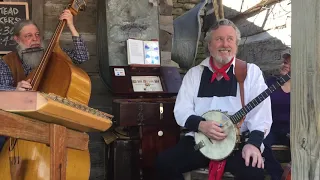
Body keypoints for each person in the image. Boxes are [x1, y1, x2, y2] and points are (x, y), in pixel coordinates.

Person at [156, 19, 272, 180]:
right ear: (209, 45)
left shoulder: (251, 72)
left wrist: (253, 144)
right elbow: (182, 110)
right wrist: (201, 125)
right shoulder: (194, 74)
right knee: (164, 163)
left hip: (239, 144)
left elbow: (261, 114)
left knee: (253, 172)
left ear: (236, 45)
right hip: (201, 142)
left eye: (230, 39)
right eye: (219, 39)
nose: (225, 44)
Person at [0, 9, 90, 150]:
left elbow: (82, 57)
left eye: (37, 35)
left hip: (53, 119)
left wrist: (71, 26)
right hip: (21, 123)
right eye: (28, 36)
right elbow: (1, 88)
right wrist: (15, 90)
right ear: (17, 39)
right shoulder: (7, 61)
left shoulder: (53, 55)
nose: (35, 39)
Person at [263, 50, 291, 180]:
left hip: (291, 129)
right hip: (271, 127)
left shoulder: (303, 86)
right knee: (262, 142)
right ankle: (279, 176)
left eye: (290, 64)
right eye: (285, 62)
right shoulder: (271, 82)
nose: (285, 65)